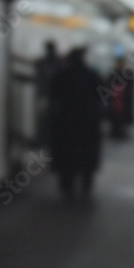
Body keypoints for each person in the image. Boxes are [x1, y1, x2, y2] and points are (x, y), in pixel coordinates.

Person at [48, 46, 103, 200]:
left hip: (66, 124)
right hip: (88, 124)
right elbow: (101, 97)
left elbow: (53, 97)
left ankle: (67, 187)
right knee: (86, 157)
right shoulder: (92, 76)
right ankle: (86, 186)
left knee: (67, 158)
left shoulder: (61, 76)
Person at [34, 40, 61, 149]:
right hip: (54, 97)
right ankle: (50, 139)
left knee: (44, 118)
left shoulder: (41, 63)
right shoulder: (59, 63)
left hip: (45, 95)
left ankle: (44, 140)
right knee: (52, 119)